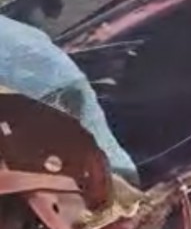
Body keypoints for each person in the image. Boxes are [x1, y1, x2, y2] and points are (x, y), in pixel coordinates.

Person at [0, 10, 138, 183]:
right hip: (61, 88)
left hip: (40, 100)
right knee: (103, 161)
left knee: (86, 175)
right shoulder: (16, 30)